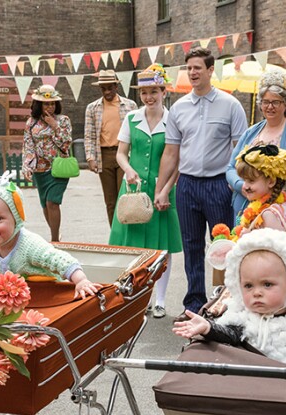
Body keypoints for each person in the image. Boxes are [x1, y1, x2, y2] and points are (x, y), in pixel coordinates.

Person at [154, 47, 247, 322]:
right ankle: (193, 305)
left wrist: (233, 182)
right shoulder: (178, 109)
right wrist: (161, 190)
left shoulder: (231, 105)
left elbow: (240, 149)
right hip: (188, 186)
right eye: (189, 68)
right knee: (192, 246)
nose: (193, 73)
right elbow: (170, 153)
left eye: (198, 68)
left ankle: (227, 304)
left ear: (210, 70)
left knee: (225, 247)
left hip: (220, 185)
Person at [173, 228, 286, 370]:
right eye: (248, 286)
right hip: (258, 393)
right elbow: (229, 335)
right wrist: (208, 327)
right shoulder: (242, 315)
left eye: (267, 285)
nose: (257, 292)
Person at [0, 174, 99, 300]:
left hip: (47, 297)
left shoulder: (30, 245)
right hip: (11, 300)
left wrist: (81, 281)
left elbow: (61, 261)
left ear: (16, 217)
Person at [107, 64, 182, 319]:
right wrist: (127, 169)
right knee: (134, 243)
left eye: (154, 91)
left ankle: (160, 300)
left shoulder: (173, 120)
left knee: (162, 247)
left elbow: (178, 160)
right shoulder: (131, 118)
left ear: (163, 91)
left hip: (162, 188)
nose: (149, 97)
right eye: (144, 93)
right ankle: (139, 296)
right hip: (134, 188)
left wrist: (168, 188)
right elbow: (120, 153)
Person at [226, 71, 286, 245]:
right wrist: (242, 186)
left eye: (276, 102)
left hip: (285, 207)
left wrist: (267, 191)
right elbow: (230, 167)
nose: (270, 107)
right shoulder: (251, 133)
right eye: (265, 102)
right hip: (248, 204)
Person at [84, 70, 137, 226]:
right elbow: (89, 135)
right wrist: (90, 157)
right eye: (103, 88)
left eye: (110, 88)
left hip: (125, 154)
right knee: (110, 201)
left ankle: (126, 230)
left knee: (126, 196)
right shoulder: (92, 108)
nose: (107, 92)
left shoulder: (130, 105)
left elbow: (135, 132)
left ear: (116, 86)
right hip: (104, 155)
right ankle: (114, 233)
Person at [22, 85, 73, 242]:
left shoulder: (63, 121)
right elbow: (28, 145)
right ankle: (55, 233)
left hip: (58, 168)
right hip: (39, 169)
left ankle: (55, 240)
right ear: (39, 104)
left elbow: (66, 144)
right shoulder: (31, 123)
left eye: (52, 103)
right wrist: (27, 166)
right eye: (46, 103)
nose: (50, 106)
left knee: (53, 202)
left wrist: (54, 126)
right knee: (45, 204)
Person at [231, 144, 286, 236]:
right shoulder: (269, 208)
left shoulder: (269, 214)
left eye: (251, 181)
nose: (245, 186)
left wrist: (249, 236)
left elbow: (275, 246)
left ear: (271, 182)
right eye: (244, 180)